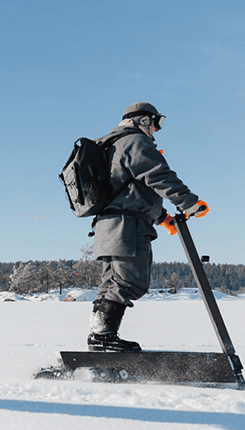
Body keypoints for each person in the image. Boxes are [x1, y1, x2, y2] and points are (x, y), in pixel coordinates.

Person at [88, 102, 208, 352]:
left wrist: (162, 218)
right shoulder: (135, 142)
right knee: (130, 281)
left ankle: (100, 336)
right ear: (142, 120)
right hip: (128, 226)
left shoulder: (107, 145)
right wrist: (190, 203)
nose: (156, 129)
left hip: (107, 225)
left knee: (111, 282)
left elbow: (129, 190)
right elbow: (158, 176)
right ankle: (103, 336)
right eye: (156, 122)